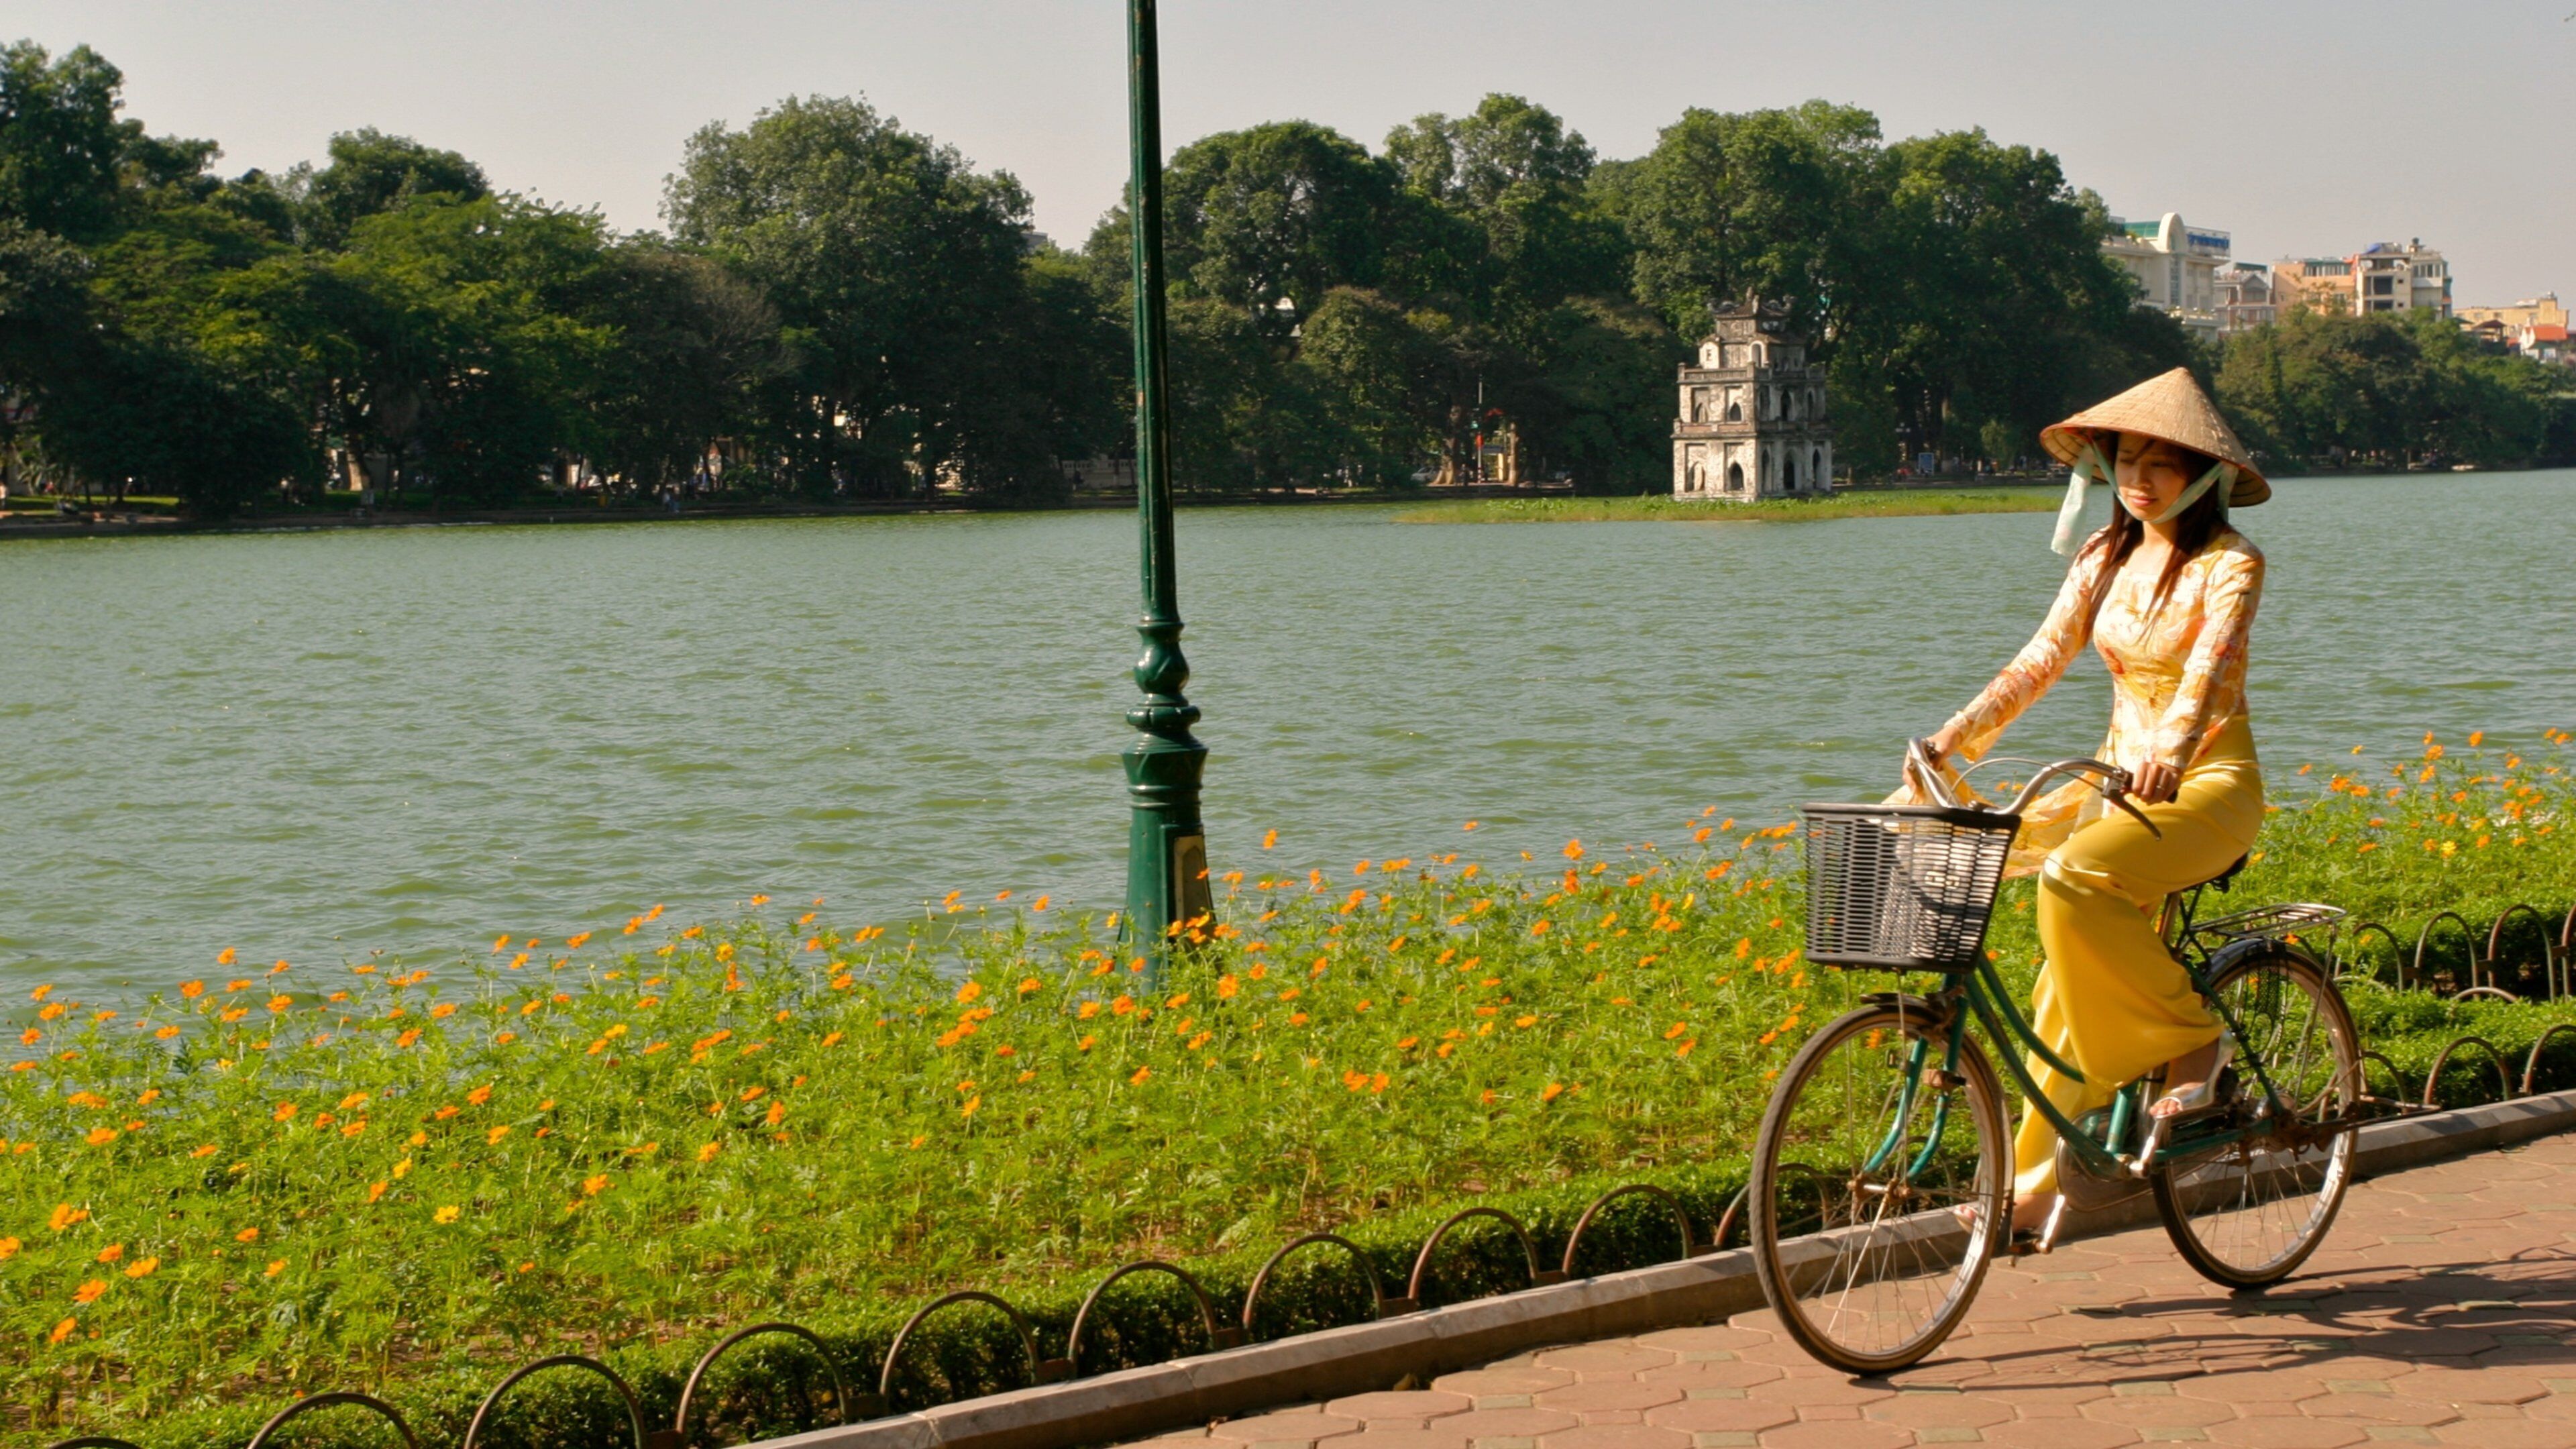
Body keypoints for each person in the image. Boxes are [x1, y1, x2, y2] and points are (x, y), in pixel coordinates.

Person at [1907, 368, 2272, 1235]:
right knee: (2056, 988)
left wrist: (2171, 757)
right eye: (2125, 462)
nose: (2139, 480)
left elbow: (2208, 678)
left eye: (2161, 465)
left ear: (2206, 474)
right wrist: (1952, 739)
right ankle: (2035, 1188)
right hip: (2116, 784)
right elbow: (2040, 659)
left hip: (2207, 786)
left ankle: (2194, 1041)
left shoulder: (2231, 564)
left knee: (2068, 881)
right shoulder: (2104, 557)